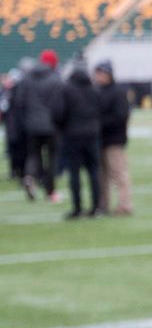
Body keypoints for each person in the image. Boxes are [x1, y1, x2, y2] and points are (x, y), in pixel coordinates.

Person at [14, 49, 66, 203]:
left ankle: (29, 177)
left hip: (32, 124)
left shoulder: (27, 79)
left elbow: (19, 102)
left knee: (33, 155)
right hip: (52, 125)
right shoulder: (55, 80)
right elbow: (60, 104)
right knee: (52, 157)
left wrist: (25, 121)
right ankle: (50, 191)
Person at [60, 58, 104, 219]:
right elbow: (101, 109)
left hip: (72, 135)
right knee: (93, 171)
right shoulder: (94, 88)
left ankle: (77, 208)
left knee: (74, 172)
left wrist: (63, 127)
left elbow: (59, 112)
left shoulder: (67, 89)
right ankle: (96, 207)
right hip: (92, 134)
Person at [94, 60, 133, 215]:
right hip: (100, 139)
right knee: (101, 175)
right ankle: (103, 204)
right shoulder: (96, 91)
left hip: (115, 139)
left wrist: (100, 123)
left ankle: (124, 205)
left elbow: (121, 116)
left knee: (118, 173)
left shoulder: (118, 92)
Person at [2, 68, 26, 181]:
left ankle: (17, 171)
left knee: (15, 150)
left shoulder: (11, 93)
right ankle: (18, 171)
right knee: (17, 150)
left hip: (14, 125)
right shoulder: (10, 92)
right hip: (17, 125)